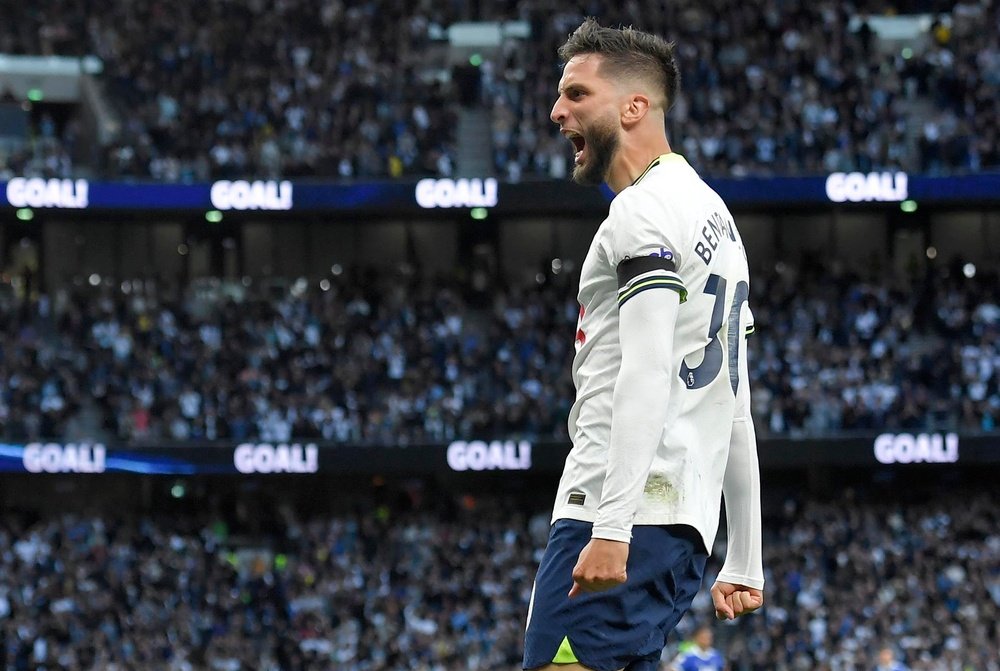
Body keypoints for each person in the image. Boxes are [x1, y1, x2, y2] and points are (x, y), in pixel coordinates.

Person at [522, 18, 764, 671]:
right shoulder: (718, 220)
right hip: (680, 528)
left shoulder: (641, 212)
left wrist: (610, 527)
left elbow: (649, 370)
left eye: (576, 94)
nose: (555, 111)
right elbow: (733, 402)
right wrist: (743, 554)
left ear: (634, 107)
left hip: (616, 511)